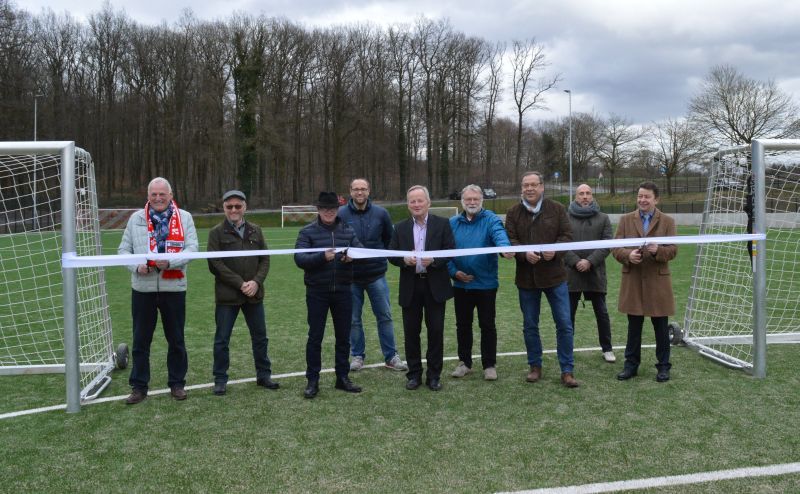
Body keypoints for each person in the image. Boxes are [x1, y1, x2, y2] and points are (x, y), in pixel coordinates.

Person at [118, 177, 198, 404]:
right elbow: (123, 250)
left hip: (174, 286)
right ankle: (139, 386)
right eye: (154, 194)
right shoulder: (136, 219)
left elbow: (192, 249)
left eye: (162, 194)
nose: (158, 198)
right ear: (148, 196)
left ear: (171, 195)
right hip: (142, 288)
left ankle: (177, 383)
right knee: (141, 340)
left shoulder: (185, 218)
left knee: (176, 339)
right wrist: (136, 266)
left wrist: (170, 261)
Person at [505, 171, 579, 388]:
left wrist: (554, 251)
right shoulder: (513, 212)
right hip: (526, 280)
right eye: (525, 185)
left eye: (533, 185)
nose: (529, 189)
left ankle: (567, 370)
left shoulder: (557, 209)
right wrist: (522, 253)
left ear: (542, 187)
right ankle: (534, 366)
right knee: (530, 325)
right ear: (521, 188)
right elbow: (510, 239)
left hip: (555, 277)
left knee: (564, 324)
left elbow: (567, 236)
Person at [207, 190, 279, 396]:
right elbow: (215, 264)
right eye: (229, 207)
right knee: (222, 339)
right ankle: (220, 379)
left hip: (254, 295)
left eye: (238, 206)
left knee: (260, 337)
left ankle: (264, 375)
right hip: (227, 297)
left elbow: (265, 259)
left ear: (245, 207)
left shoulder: (256, 230)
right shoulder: (216, 233)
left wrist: (256, 282)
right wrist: (240, 284)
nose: (234, 210)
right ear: (224, 208)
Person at [294, 191, 364, 399]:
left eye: (332, 208)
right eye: (325, 208)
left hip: (343, 290)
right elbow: (300, 259)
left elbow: (360, 251)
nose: (329, 212)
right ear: (318, 210)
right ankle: (312, 380)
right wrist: (322, 257)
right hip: (317, 291)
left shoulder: (347, 230)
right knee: (315, 337)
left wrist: (352, 257)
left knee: (343, 337)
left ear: (337, 209)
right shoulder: (307, 231)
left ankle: (342, 377)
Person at [388, 185, 455, 391]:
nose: (416, 204)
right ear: (408, 205)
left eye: (420, 200)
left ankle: (434, 376)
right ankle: (414, 375)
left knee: (435, 332)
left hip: (435, 285)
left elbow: (451, 251)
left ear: (428, 203)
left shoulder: (443, 224)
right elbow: (391, 255)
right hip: (411, 286)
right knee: (411, 332)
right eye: (412, 201)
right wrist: (404, 260)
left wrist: (434, 259)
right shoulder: (399, 228)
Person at [337, 178, 407, 372]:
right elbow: (337, 242)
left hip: (376, 275)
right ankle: (357, 356)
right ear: (350, 191)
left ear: (369, 191)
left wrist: (379, 259)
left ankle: (391, 356)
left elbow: (389, 241)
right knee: (353, 319)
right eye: (356, 189)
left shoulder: (381, 214)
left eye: (363, 189)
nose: (360, 193)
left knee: (384, 316)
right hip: (350, 277)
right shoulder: (340, 214)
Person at [612, 181, 678, 383]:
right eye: (640, 196)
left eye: (646, 197)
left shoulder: (667, 221)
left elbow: (673, 250)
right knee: (634, 327)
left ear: (656, 199)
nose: (642, 200)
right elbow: (614, 247)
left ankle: (663, 367)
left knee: (660, 326)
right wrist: (627, 255)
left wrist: (658, 251)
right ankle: (630, 365)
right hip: (633, 280)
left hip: (658, 283)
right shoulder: (625, 220)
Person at [447, 184, 513, 381]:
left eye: (475, 199)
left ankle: (489, 365)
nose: (472, 203)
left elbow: (500, 237)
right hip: (460, 285)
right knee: (463, 326)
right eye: (468, 199)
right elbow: (444, 250)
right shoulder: (452, 223)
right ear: (462, 201)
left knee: (487, 325)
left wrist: (505, 248)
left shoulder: (491, 219)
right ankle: (464, 363)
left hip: (486, 285)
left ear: (481, 200)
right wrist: (454, 272)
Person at [564, 184, 616, 363]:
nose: (585, 196)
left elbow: (608, 243)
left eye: (588, 193)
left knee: (602, 313)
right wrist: (575, 261)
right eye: (581, 194)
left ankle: (607, 349)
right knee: (568, 315)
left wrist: (590, 261)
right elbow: (560, 243)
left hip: (596, 274)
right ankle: (567, 349)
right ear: (575, 196)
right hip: (571, 274)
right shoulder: (565, 218)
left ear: (592, 196)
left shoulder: (603, 218)